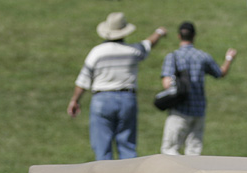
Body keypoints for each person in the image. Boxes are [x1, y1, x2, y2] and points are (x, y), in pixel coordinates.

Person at [68, 13, 167, 160]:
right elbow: (148, 44)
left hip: (101, 99)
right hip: (127, 99)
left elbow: (83, 80)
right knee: (127, 148)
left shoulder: (97, 53)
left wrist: (75, 100)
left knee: (102, 150)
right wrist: (159, 33)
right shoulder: (132, 51)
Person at [159, 22, 237, 156]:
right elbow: (220, 73)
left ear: (179, 36)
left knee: (170, 151)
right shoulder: (202, 56)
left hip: (179, 110)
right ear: (194, 36)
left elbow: (166, 83)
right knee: (194, 153)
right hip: (198, 110)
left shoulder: (173, 57)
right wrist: (229, 58)